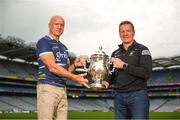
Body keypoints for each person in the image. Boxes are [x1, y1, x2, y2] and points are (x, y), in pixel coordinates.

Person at [36, 15, 89, 120]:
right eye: (56, 24)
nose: (59, 27)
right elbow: (52, 67)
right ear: (49, 25)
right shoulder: (43, 42)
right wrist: (75, 77)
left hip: (62, 89)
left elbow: (66, 71)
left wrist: (74, 65)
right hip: (48, 87)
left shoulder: (64, 47)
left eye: (62, 25)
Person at [103, 20, 152, 119]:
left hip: (138, 96)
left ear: (133, 32)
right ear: (119, 34)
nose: (125, 34)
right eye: (122, 31)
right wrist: (105, 82)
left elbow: (146, 73)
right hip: (119, 96)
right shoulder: (115, 53)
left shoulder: (142, 49)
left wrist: (124, 65)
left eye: (128, 31)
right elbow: (111, 74)